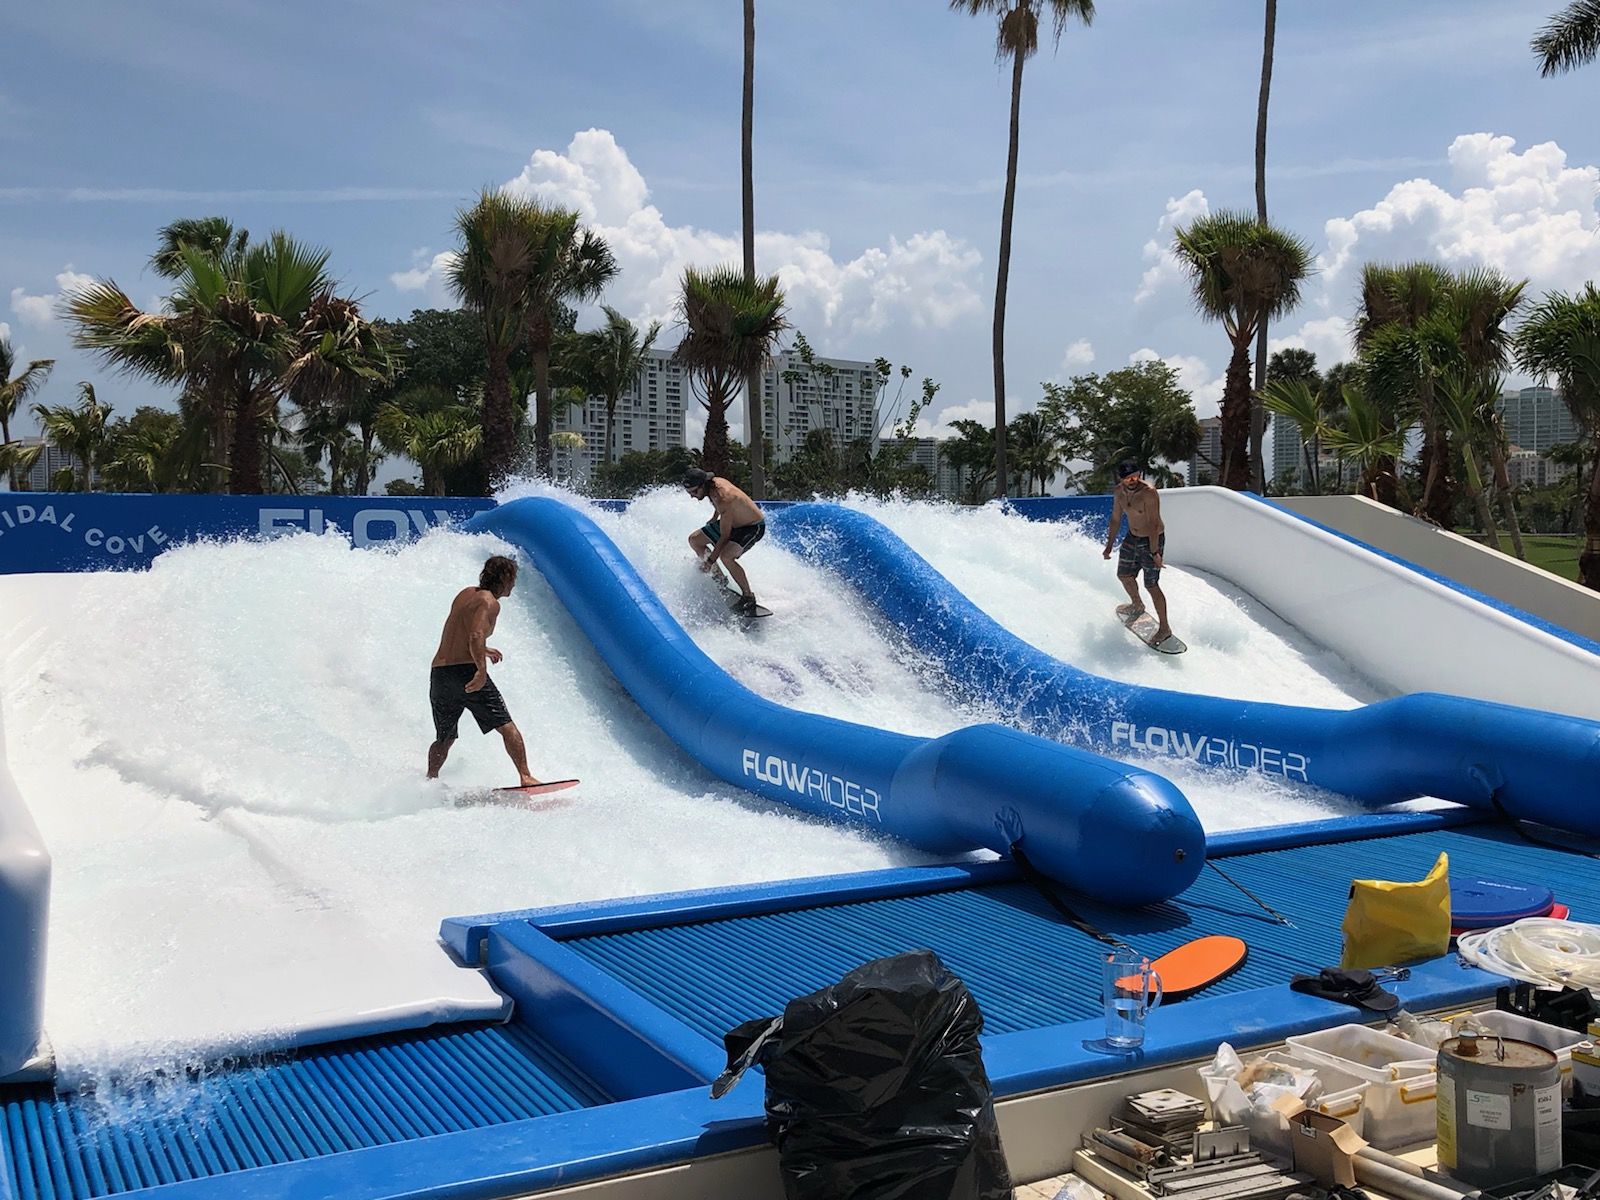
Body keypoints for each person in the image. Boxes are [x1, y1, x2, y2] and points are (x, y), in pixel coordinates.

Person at [427, 554, 542, 787]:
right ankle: (526, 776)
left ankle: (430, 780)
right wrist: (480, 670)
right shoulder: (490, 602)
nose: (514, 584)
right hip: (466, 673)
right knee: (506, 725)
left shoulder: (465, 594)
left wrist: (483, 649)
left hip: (440, 673)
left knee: (445, 736)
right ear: (505, 578)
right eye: (513, 578)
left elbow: (458, 633)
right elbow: (475, 634)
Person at [1102, 459, 1175, 645]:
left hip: (1152, 539)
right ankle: (1137, 604)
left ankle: (1165, 628)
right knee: (1124, 575)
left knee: (1151, 585)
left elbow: (1152, 524)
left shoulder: (1148, 493)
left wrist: (1155, 552)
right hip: (1132, 538)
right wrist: (1109, 545)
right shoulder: (1118, 493)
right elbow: (1115, 519)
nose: (1133, 480)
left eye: (1135, 476)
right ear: (1121, 479)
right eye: (1128, 478)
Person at [684, 467, 766, 615]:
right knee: (695, 540)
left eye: (694, 492)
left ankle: (748, 597)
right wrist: (715, 518)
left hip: (752, 527)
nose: (692, 496)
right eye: (689, 493)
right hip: (734, 522)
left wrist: (709, 562)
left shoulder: (722, 497)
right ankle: (720, 578)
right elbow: (719, 505)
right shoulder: (713, 485)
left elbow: (724, 536)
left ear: (703, 485)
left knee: (727, 556)